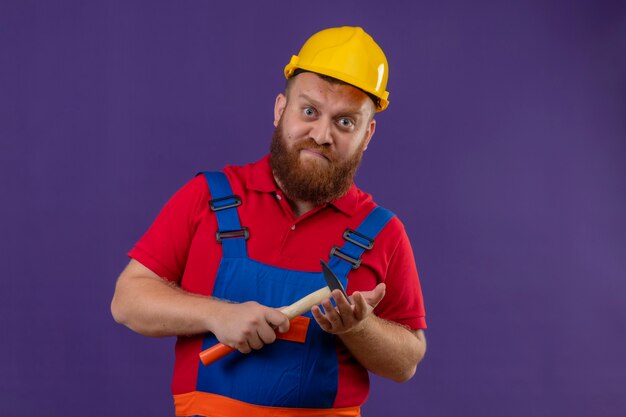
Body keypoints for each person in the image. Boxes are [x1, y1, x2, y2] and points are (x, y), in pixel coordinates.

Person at [111, 26, 427, 417]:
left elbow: (406, 362)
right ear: (281, 109)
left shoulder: (383, 233)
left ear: (367, 134)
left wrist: (360, 328)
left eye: (345, 122)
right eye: (309, 111)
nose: (322, 135)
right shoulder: (208, 197)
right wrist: (218, 313)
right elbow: (127, 301)